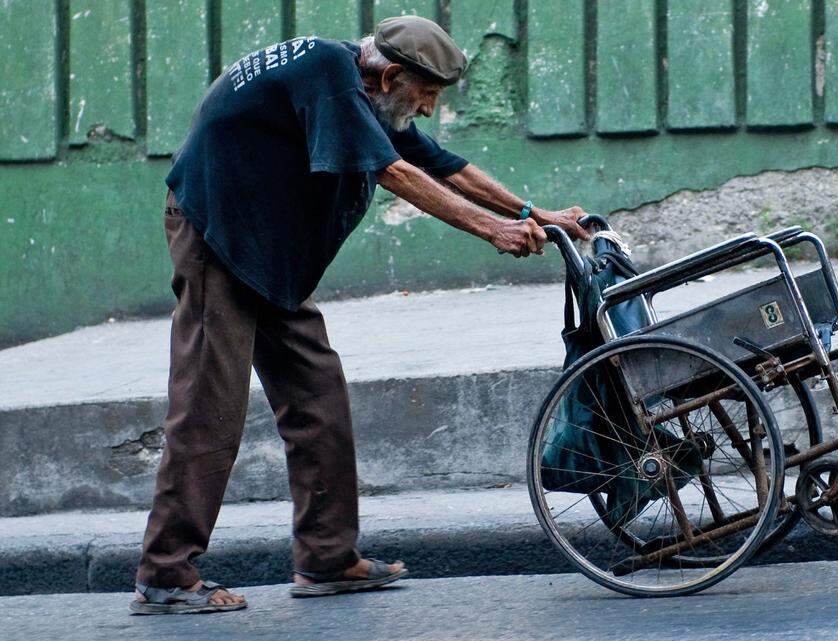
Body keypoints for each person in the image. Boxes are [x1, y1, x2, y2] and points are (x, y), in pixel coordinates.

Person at [130, 15, 589, 615]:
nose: (428, 109)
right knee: (209, 407)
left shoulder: (362, 92)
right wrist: (492, 230)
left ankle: (327, 558)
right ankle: (165, 573)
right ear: (391, 75)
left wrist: (533, 213)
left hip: (269, 252)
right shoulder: (328, 73)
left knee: (318, 397)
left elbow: (442, 164)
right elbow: (392, 171)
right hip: (217, 237)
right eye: (426, 94)